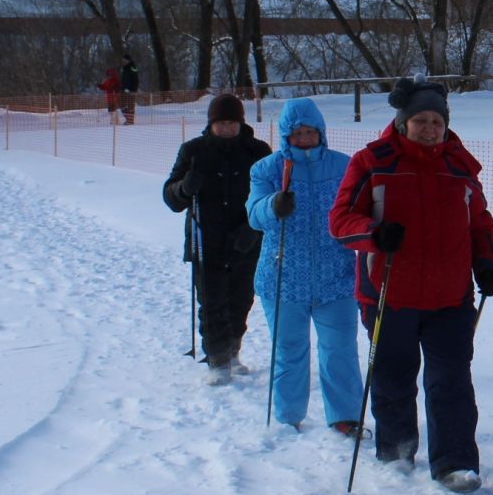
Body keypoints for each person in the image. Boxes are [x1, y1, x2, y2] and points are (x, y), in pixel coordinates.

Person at [330, 77, 493, 493]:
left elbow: (479, 222)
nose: (429, 128)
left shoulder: (460, 166)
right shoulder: (372, 162)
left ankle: (455, 463)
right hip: (388, 293)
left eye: (436, 122)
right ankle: (396, 452)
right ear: (403, 121)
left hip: (451, 295)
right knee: (393, 379)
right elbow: (340, 222)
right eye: (420, 120)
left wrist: (487, 261)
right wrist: (374, 233)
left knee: (452, 381)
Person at [247, 98, 364, 435]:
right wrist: (273, 205)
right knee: (289, 349)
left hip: (336, 278)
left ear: (321, 132)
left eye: (310, 131)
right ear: (286, 136)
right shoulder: (267, 169)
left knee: (339, 349)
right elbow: (254, 214)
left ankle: (345, 416)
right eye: (297, 133)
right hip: (283, 279)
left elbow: (361, 209)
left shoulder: (345, 166)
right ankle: (288, 416)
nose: (304, 138)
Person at [163, 93, 272, 383]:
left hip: (245, 240)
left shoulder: (258, 151)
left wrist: (252, 231)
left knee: (240, 300)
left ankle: (233, 350)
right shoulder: (193, 151)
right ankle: (217, 359)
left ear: (241, 123)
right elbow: (171, 197)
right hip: (205, 241)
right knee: (212, 303)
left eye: (231, 123)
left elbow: (269, 198)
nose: (226, 128)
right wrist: (184, 188)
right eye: (220, 123)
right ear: (211, 124)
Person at [119, 53, 141, 125]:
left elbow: (136, 79)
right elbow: (123, 80)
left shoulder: (132, 67)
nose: (123, 61)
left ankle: (130, 121)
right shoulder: (123, 68)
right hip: (123, 90)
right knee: (122, 105)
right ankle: (128, 119)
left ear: (128, 60)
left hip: (131, 90)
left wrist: (133, 89)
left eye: (125, 60)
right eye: (123, 60)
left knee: (130, 105)